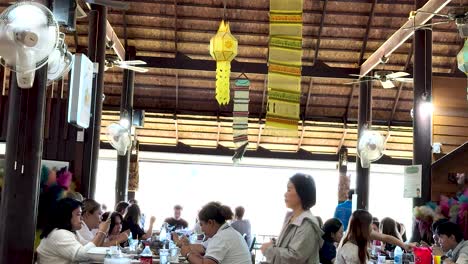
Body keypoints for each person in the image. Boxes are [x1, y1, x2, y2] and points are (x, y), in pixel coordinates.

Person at [260, 173, 324, 264]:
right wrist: (274, 243)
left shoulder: (307, 224)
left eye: (289, 190)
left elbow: (294, 258)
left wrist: (269, 250)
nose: (285, 194)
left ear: (302, 193)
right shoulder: (291, 217)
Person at [36, 198, 110, 263]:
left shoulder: (71, 232)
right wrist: (101, 232)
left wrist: (112, 254)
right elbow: (83, 256)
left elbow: (89, 246)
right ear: (66, 215)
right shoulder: (59, 233)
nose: (82, 218)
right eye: (78, 214)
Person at [179, 202, 251, 264]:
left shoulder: (221, 237)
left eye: (202, 224)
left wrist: (188, 254)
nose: (201, 229)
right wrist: (185, 246)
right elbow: (202, 249)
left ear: (210, 222)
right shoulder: (225, 232)